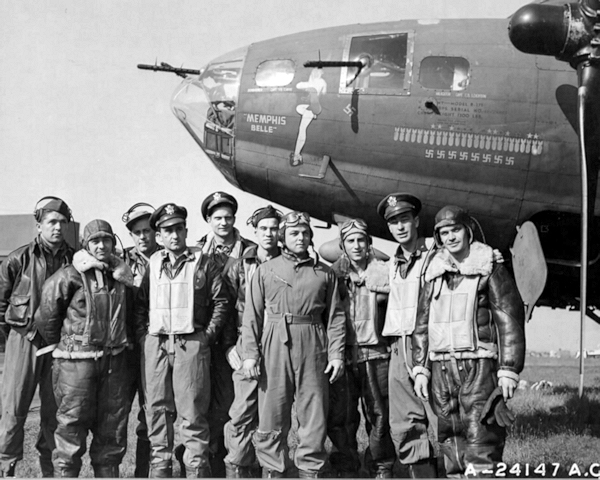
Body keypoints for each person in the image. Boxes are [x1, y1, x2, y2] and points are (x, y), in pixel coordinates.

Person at [412, 205, 525, 477]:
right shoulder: (433, 272)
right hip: (441, 371)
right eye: (444, 233)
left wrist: (508, 368)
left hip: (479, 369)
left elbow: (508, 318)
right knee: (450, 442)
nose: (451, 237)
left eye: (456, 230)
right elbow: (422, 324)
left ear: (468, 231)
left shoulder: (489, 267)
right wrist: (421, 369)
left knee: (481, 440)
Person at [242, 211, 346, 478]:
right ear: (282, 237)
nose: (300, 238)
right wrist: (250, 354)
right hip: (276, 340)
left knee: (313, 410)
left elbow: (335, 317)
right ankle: (273, 469)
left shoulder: (324, 273)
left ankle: (311, 469)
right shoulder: (266, 270)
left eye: (305, 233)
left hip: (313, 341)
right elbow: (252, 316)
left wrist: (336, 354)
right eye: (294, 233)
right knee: (272, 410)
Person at [134, 203, 230, 478]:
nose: (174, 235)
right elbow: (141, 304)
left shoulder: (204, 262)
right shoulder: (153, 263)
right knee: (156, 411)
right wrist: (144, 338)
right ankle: (161, 470)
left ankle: (197, 469)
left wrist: (206, 337)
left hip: (191, 344)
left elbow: (221, 302)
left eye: (178, 229)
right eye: (167, 231)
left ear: (186, 231)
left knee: (193, 413)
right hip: (157, 343)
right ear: (159, 236)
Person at [36, 219, 135, 477]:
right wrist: (67, 345)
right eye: (95, 241)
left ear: (113, 242)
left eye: (106, 240)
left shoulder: (122, 277)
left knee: (112, 431)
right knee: (71, 428)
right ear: (86, 245)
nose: (101, 246)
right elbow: (47, 315)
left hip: (113, 365)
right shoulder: (69, 275)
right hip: (76, 365)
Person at [0, 196, 75, 478]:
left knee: (55, 414)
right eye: (51, 222)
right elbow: (1, 305)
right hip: (23, 342)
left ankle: (50, 473)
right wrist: (16, 337)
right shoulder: (17, 259)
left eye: (62, 222)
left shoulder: (75, 260)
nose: (58, 227)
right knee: (13, 410)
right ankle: (5, 469)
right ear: (39, 225)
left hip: (60, 346)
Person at [376, 193, 439, 478]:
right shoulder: (392, 263)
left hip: (428, 344)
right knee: (405, 423)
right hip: (398, 348)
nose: (400, 227)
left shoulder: (435, 254)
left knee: (440, 415)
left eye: (404, 219)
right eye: (394, 222)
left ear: (416, 221)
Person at [328, 218, 395, 478]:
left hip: (377, 354)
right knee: (342, 418)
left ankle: (381, 466)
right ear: (343, 246)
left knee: (379, 415)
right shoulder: (332, 275)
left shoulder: (385, 273)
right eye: (350, 241)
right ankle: (346, 467)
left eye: (361, 240)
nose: (356, 246)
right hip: (344, 356)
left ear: (369, 243)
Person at [222, 205, 282, 478]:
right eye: (263, 229)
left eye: (274, 228)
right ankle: (239, 468)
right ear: (254, 231)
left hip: (279, 346)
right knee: (242, 412)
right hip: (245, 344)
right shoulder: (239, 266)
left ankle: (271, 468)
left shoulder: (288, 263)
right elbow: (225, 307)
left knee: (273, 414)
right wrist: (228, 346)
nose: (269, 234)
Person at [197, 191, 254, 477]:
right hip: (205, 338)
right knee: (202, 405)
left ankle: (237, 465)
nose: (223, 223)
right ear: (208, 220)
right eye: (217, 218)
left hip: (237, 339)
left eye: (228, 217)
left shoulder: (250, 252)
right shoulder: (197, 252)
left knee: (234, 405)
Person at [122, 202, 162, 478]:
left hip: (156, 346)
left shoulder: (167, 259)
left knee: (153, 412)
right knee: (118, 411)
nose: (143, 236)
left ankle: (147, 472)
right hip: (126, 348)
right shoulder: (120, 262)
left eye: (147, 230)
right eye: (137, 232)